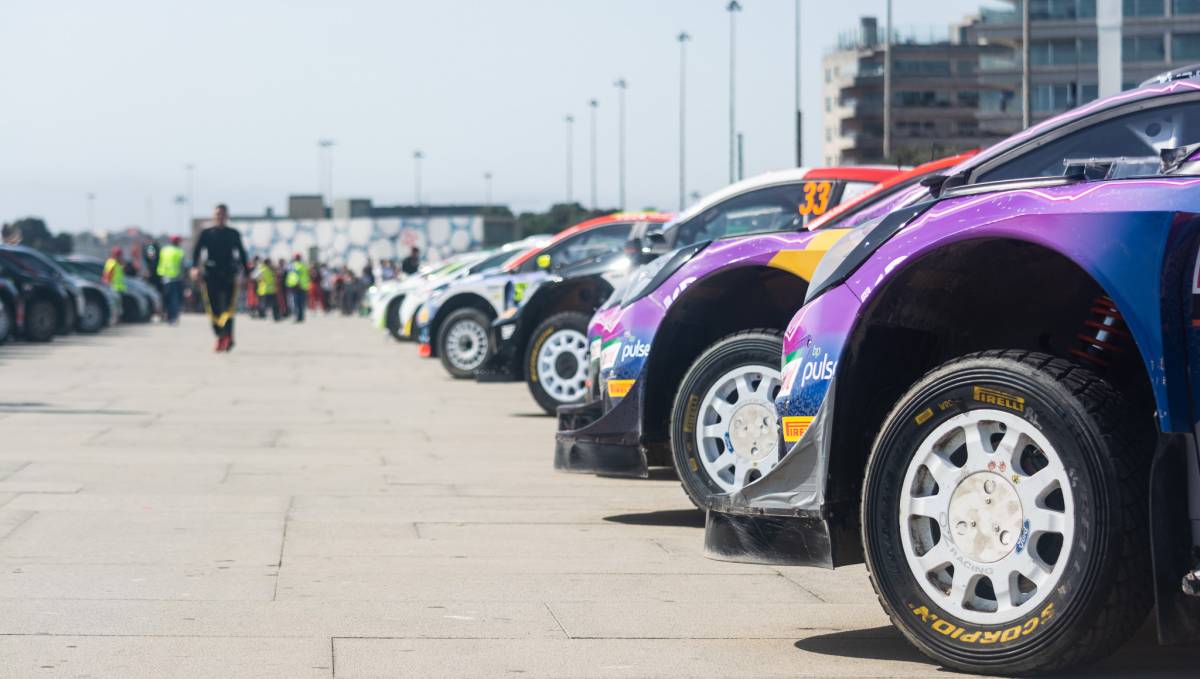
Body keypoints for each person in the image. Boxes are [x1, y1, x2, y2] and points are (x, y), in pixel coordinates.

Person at [191, 204, 249, 352]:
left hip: (229, 274)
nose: (220, 217)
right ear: (214, 216)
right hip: (211, 274)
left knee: (228, 308)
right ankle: (219, 335)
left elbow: (242, 253)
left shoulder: (233, 233)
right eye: (217, 214)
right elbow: (197, 252)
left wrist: (246, 274)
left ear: (227, 216)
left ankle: (228, 337)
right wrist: (195, 268)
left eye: (222, 214)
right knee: (213, 308)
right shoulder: (207, 233)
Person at [157, 235, 186, 324]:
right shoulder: (179, 251)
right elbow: (182, 266)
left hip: (164, 278)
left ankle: (166, 315)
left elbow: (160, 262)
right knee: (175, 299)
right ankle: (173, 317)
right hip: (175, 278)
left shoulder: (164, 250)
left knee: (166, 298)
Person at [253, 255, 280, 321]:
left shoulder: (265, 269)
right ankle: (272, 316)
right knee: (271, 304)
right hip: (267, 290)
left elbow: (254, 277)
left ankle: (264, 315)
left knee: (266, 304)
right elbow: (254, 277)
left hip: (267, 290)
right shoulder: (265, 269)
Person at [285, 253, 310, 323]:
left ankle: (298, 317)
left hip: (296, 286)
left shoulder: (294, 265)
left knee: (296, 303)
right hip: (302, 286)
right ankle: (301, 317)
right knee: (301, 303)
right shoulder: (303, 265)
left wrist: (296, 283)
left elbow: (295, 275)